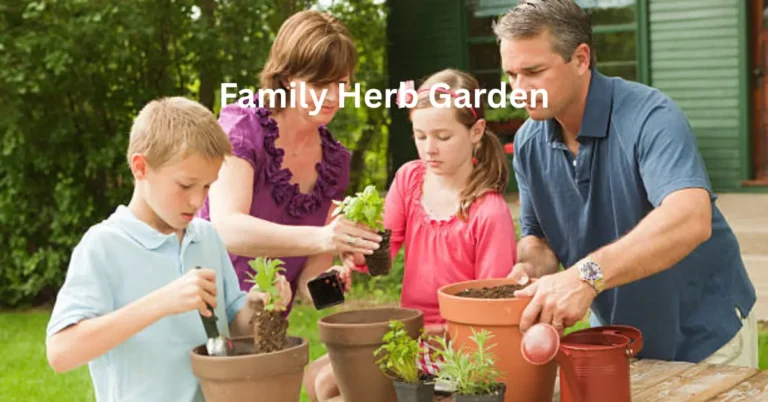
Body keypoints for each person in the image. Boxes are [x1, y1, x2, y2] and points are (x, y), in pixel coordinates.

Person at [497, 0, 757, 367]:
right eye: (511, 75)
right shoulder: (527, 143)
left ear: (581, 58)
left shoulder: (651, 117)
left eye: (533, 71)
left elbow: (690, 217)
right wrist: (529, 268)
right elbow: (539, 238)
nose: (519, 89)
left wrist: (584, 277)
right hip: (617, 338)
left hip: (705, 339)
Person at [45, 97, 293, 402]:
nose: (197, 202)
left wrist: (257, 304)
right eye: (186, 185)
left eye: (206, 187)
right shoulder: (103, 246)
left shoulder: (206, 237)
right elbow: (61, 352)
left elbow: (234, 323)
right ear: (141, 167)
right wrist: (164, 301)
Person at [304, 69, 518, 401]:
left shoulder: (489, 213)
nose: (429, 149)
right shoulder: (410, 179)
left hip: (457, 349)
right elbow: (382, 254)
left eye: (443, 137)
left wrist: (437, 334)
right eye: (420, 136)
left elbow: (490, 313)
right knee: (318, 377)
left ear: (476, 131)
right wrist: (351, 257)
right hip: (407, 334)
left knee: (336, 387)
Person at [197, 10, 380, 314]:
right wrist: (323, 237)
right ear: (287, 78)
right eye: (320, 84)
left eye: (342, 82)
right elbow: (226, 227)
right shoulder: (242, 127)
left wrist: (331, 282)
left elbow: (311, 280)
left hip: (266, 324)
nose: (333, 97)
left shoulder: (334, 163)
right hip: (203, 312)